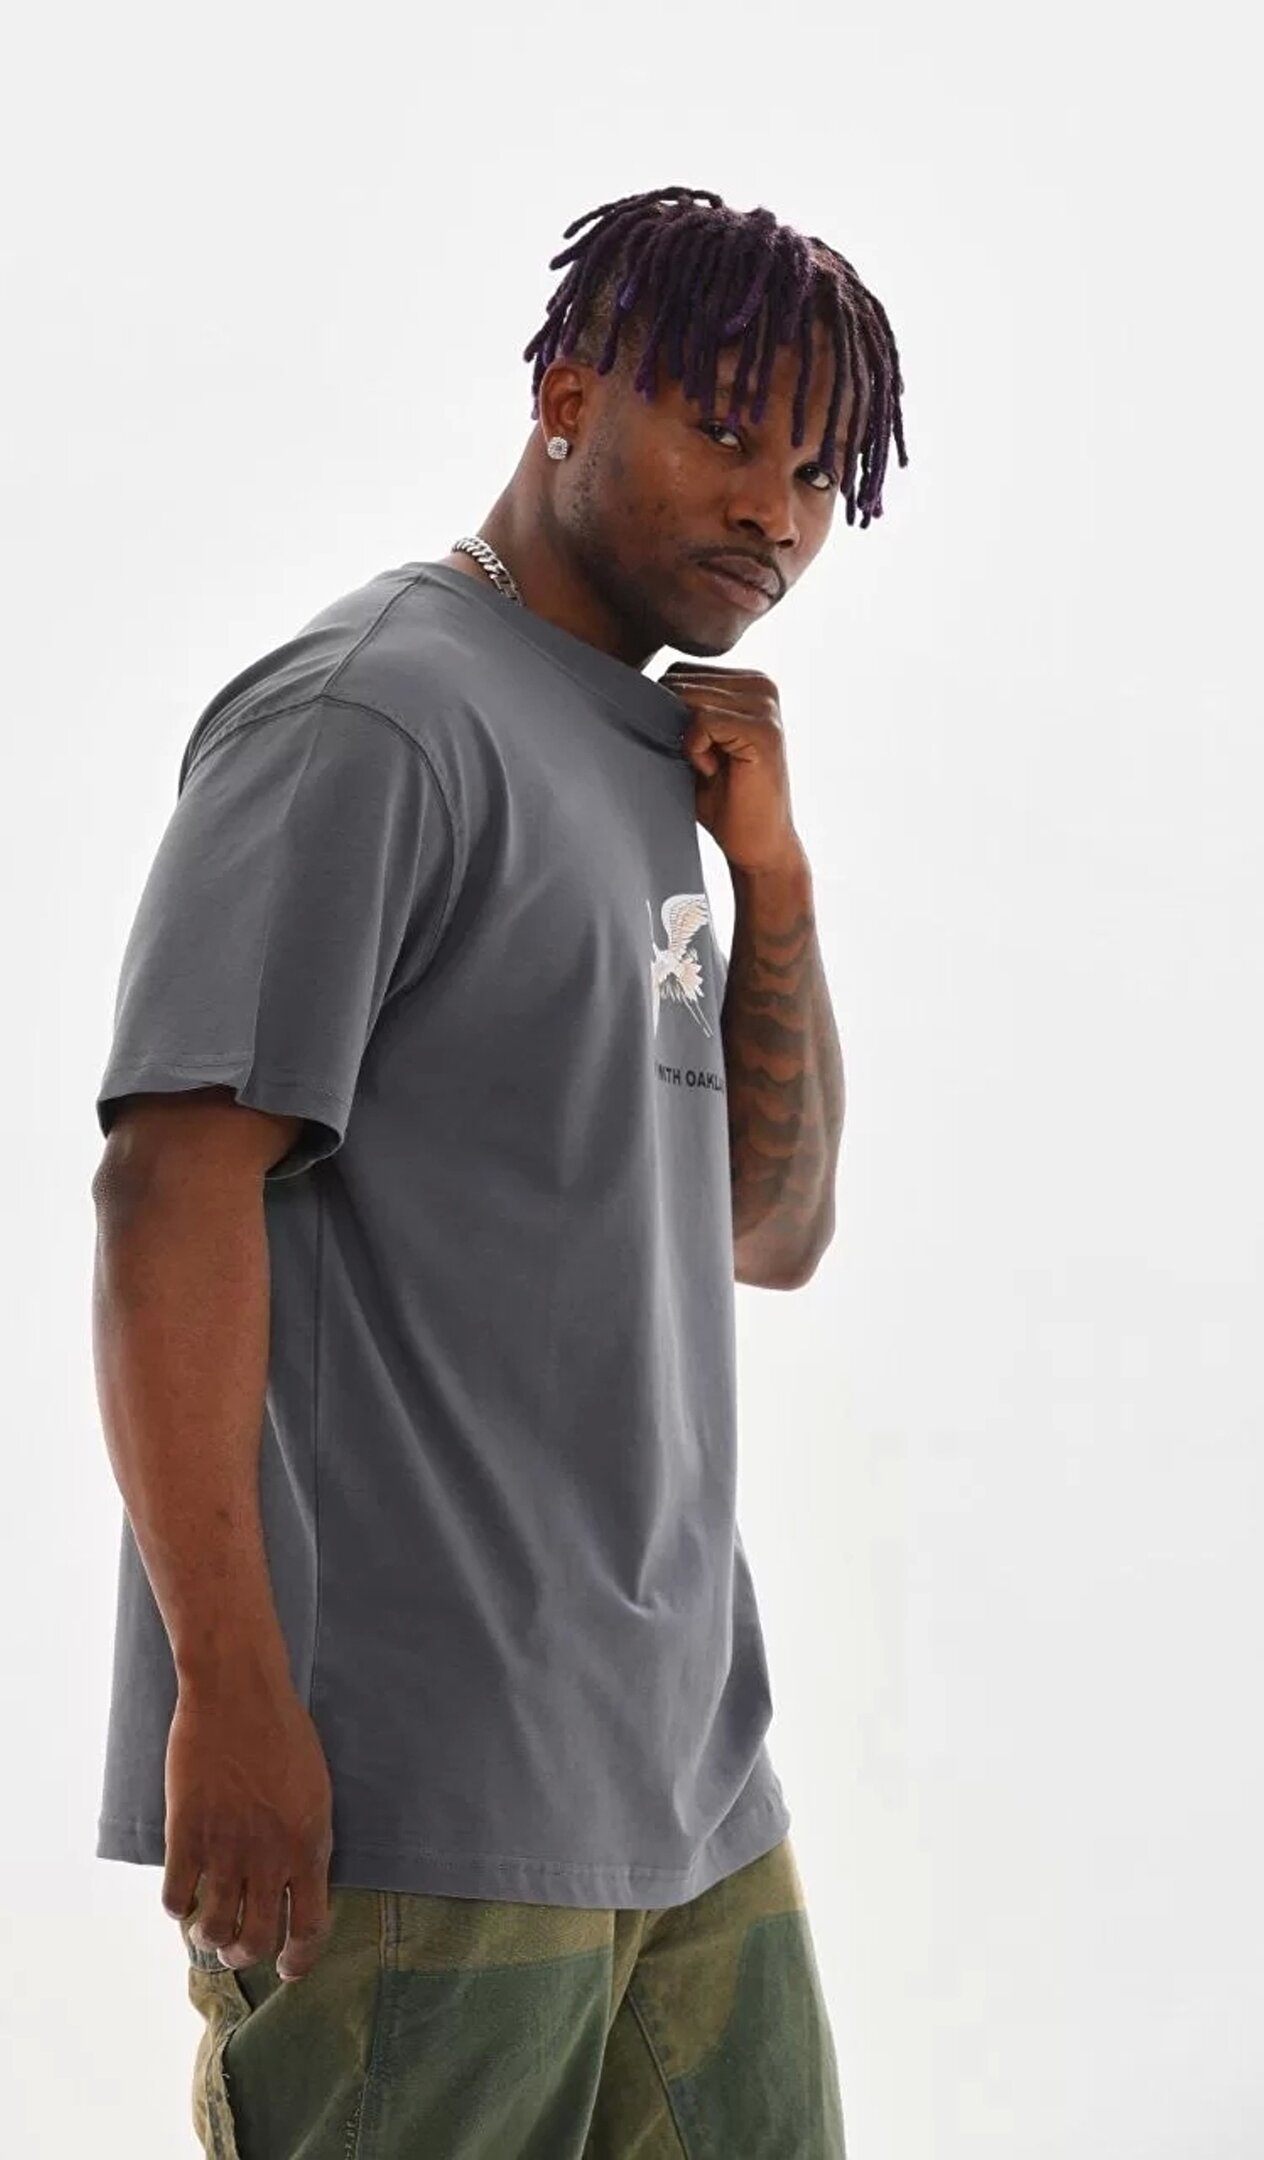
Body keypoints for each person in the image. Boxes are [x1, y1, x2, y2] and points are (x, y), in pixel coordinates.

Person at [89, 182, 908, 2158]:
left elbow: (768, 1230)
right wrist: (229, 1698)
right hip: (420, 1805)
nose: (777, 513)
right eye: (730, 431)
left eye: (819, 473)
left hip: (689, 1785)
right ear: (565, 395)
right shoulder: (373, 714)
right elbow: (170, 1191)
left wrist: (776, 886)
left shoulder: (652, 769)